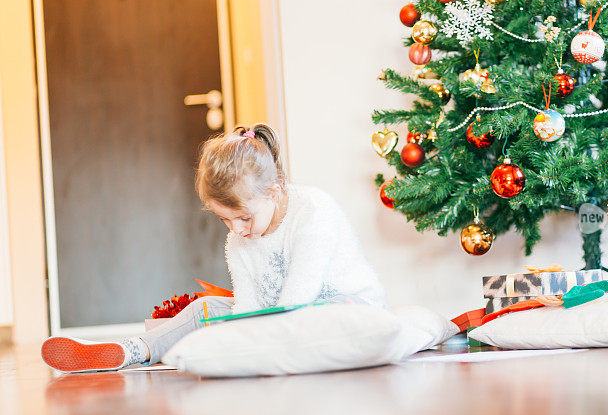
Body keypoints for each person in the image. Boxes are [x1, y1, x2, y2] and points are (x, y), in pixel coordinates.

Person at [41, 124, 386, 372]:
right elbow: (248, 307)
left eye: (244, 218)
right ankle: (132, 349)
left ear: (274, 193)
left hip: (338, 306)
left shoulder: (313, 212)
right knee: (205, 307)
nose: (236, 230)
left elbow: (297, 301)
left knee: (332, 312)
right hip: (274, 317)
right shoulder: (239, 239)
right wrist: (238, 336)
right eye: (225, 220)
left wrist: (244, 346)